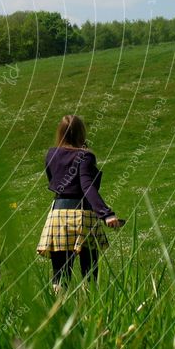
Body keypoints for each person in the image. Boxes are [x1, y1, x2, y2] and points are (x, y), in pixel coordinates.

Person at [36, 114, 124, 292]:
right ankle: (90, 312)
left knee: (60, 275)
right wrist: (106, 214)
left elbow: (54, 181)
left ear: (60, 133)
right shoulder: (85, 156)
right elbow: (87, 186)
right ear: (82, 133)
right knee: (89, 273)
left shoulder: (51, 154)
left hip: (58, 215)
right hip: (82, 214)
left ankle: (58, 313)